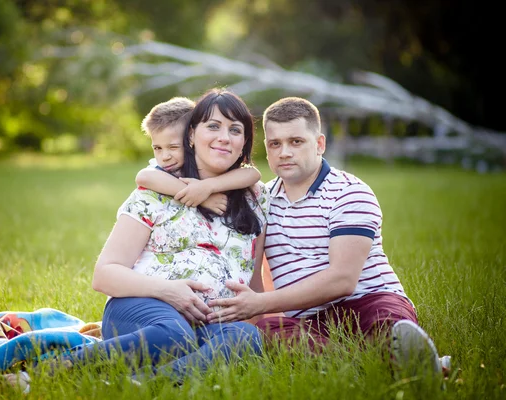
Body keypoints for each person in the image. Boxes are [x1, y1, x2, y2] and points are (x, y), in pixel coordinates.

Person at [42, 89, 269, 384]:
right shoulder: (156, 191)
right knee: (174, 331)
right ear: (191, 135)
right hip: (143, 309)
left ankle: (141, 383)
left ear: (244, 144)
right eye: (213, 126)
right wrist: (168, 291)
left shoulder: (256, 199)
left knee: (247, 337)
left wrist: (256, 316)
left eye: (235, 130)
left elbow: (253, 285)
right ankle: (59, 370)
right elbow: (104, 275)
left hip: (209, 323)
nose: (224, 137)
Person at [206, 97, 442, 376]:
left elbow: (343, 279)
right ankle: (389, 366)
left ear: (319, 144)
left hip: (368, 300)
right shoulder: (261, 201)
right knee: (267, 332)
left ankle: (392, 355)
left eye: (296, 142)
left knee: (385, 322)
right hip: (308, 318)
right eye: (275, 144)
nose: (284, 152)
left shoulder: (350, 192)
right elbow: (253, 274)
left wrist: (262, 303)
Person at [135, 96, 262, 215]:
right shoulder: (163, 171)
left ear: (190, 137)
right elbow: (143, 177)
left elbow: (253, 174)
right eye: (157, 148)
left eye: (174, 147)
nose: (165, 157)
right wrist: (204, 198)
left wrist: (207, 187)